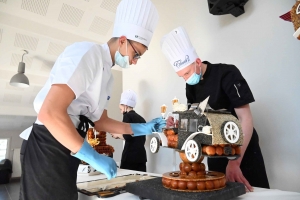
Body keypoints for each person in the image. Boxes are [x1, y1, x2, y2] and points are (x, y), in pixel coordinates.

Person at [18, 0, 165, 199]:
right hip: (47, 143)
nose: (135, 61)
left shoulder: (108, 77)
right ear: (122, 40)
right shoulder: (87, 53)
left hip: (68, 145)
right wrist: (92, 156)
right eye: (136, 53)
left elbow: (102, 122)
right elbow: (50, 112)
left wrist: (146, 128)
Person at [160, 26, 269, 192]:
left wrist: (234, 162)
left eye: (187, 73)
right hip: (214, 152)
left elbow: (245, 119)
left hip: (242, 151)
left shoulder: (227, 74)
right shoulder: (191, 87)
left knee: (253, 193)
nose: (186, 79)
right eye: (182, 76)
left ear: (198, 62)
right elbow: (195, 120)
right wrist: (177, 124)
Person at [111, 90, 147, 172]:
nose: (121, 112)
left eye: (120, 109)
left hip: (130, 157)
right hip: (141, 157)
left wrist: (116, 135)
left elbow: (127, 136)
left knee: (127, 182)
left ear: (125, 106)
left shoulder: (127, 116)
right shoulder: (141, 119)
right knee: (141, 182)